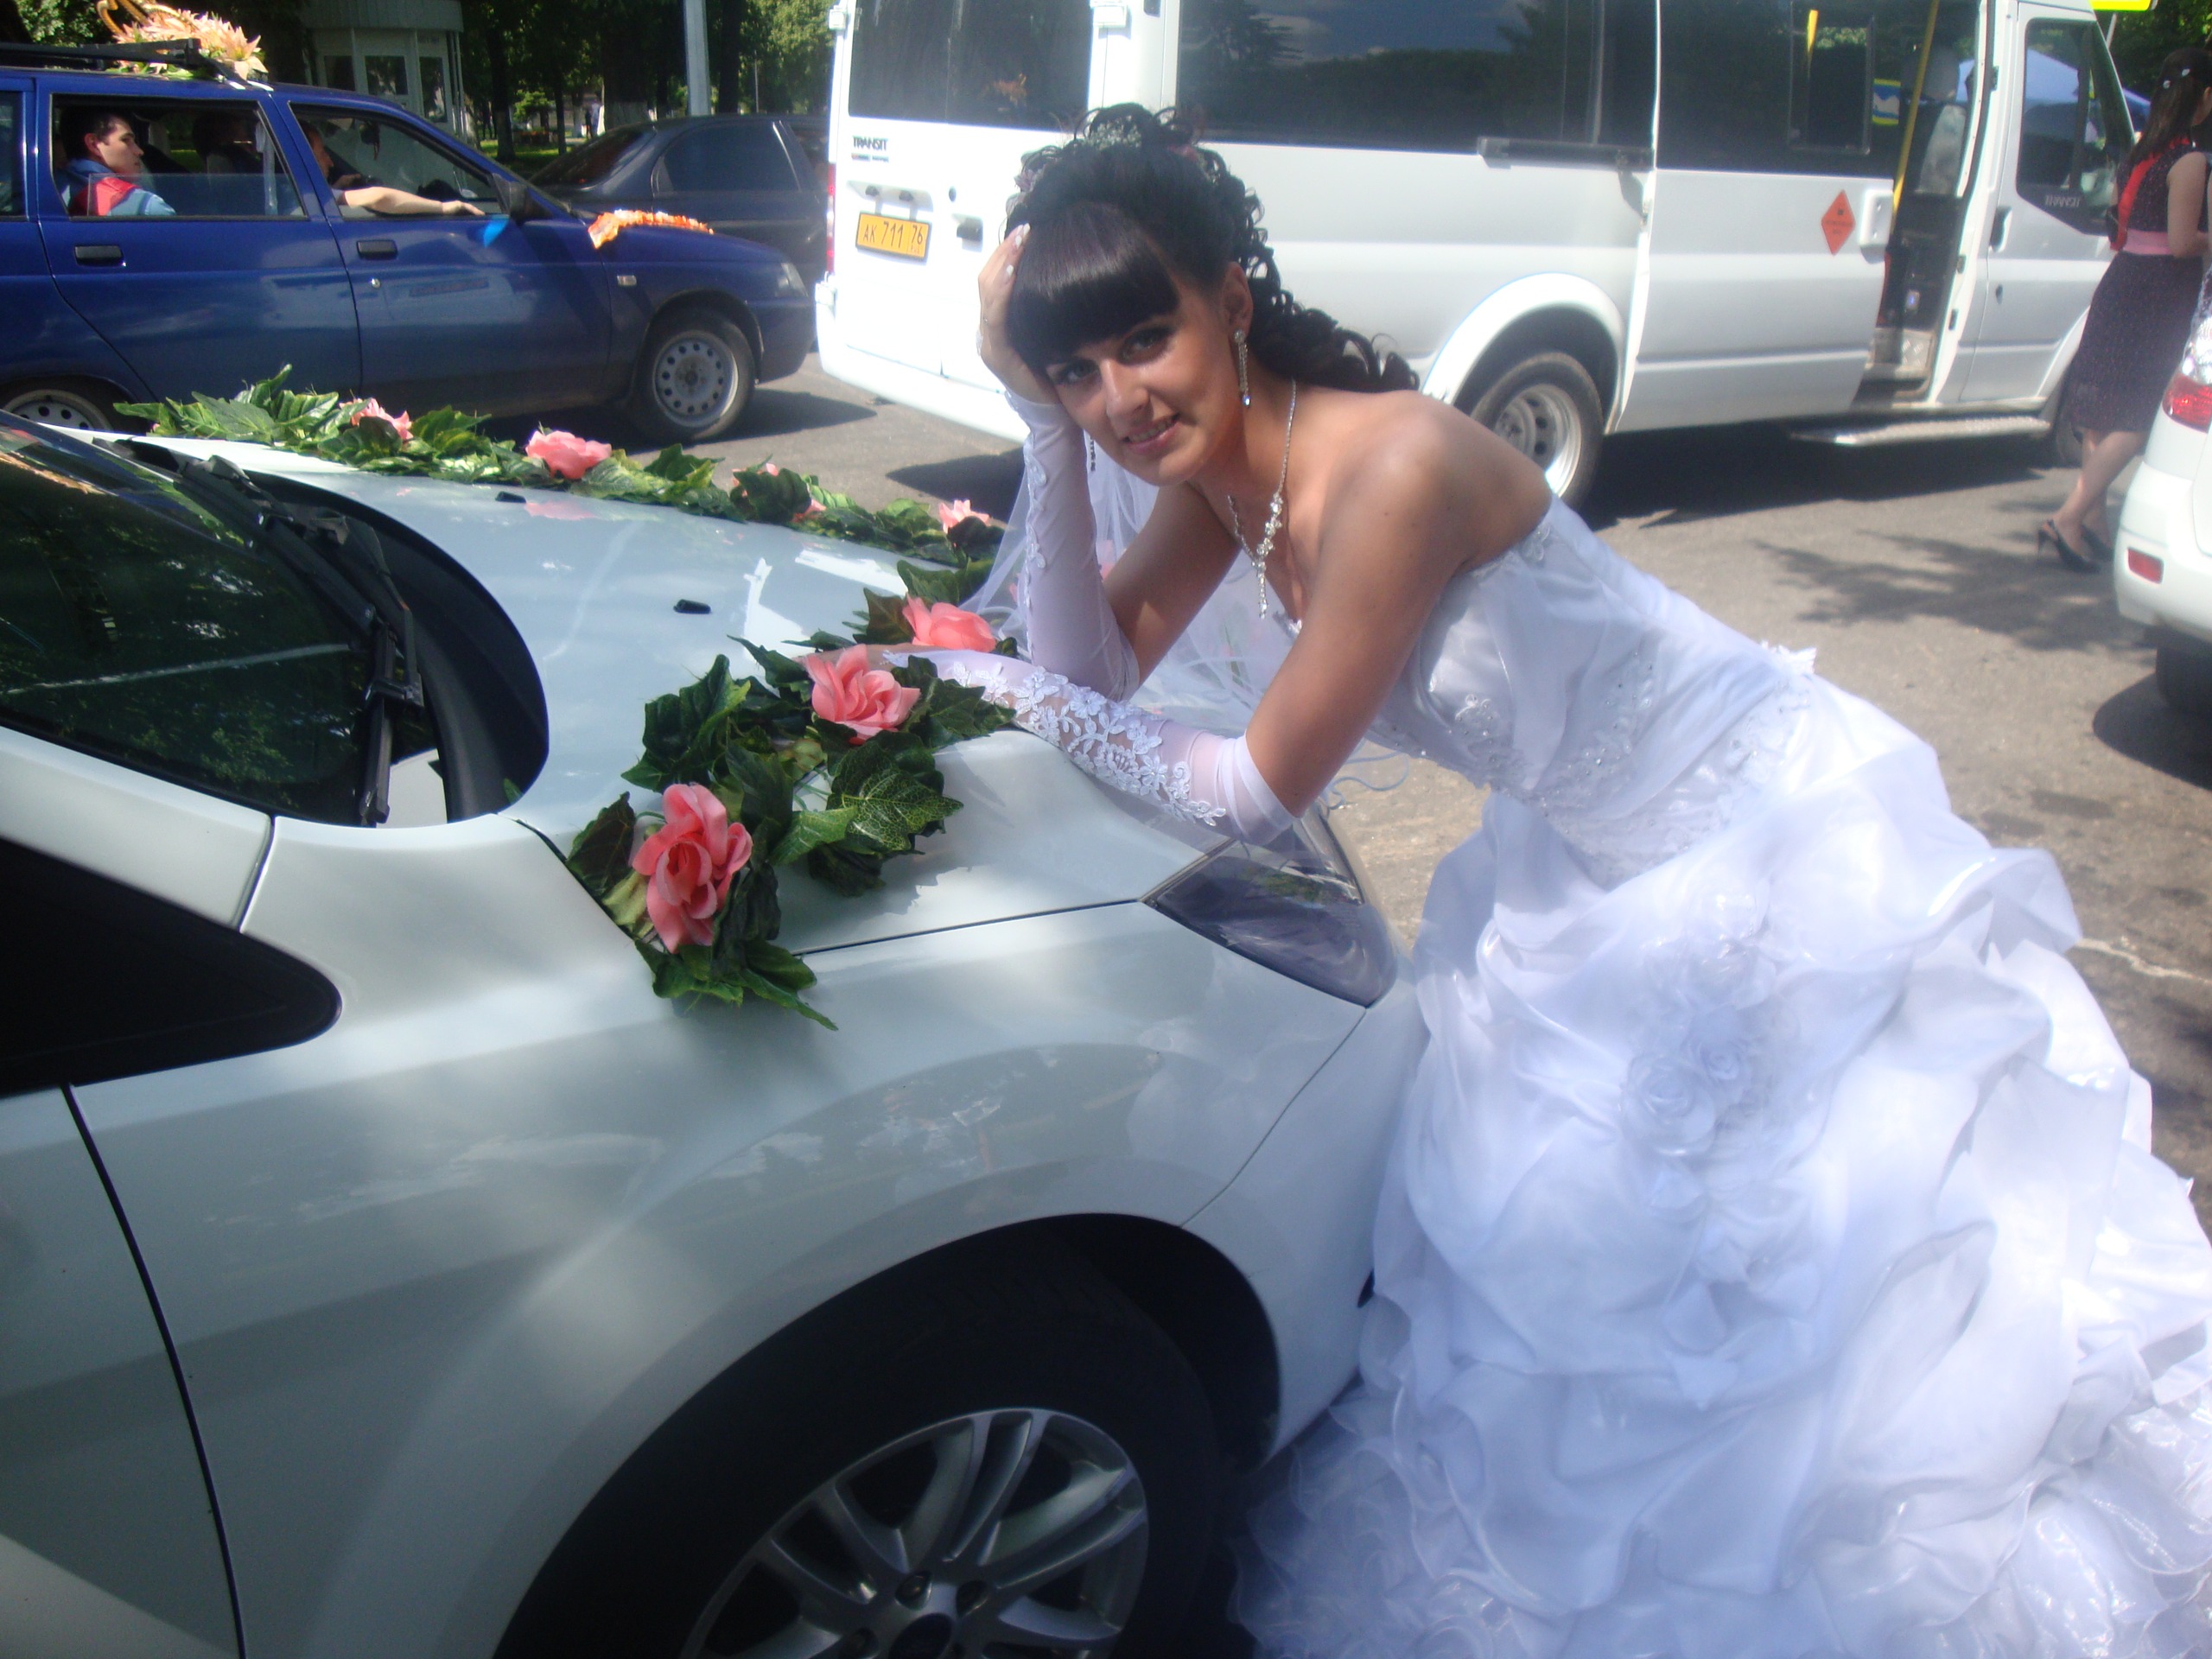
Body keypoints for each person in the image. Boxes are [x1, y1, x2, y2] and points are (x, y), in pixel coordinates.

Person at [896, 106, 2212, 1656]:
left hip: (1760, 830)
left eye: (1143, 342)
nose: (1121, 397)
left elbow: (1247, 783)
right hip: (1585, 866)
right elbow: (1090, 668)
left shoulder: (1392, 466)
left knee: (1803, 1277)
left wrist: (1011, 696)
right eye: (1076, 371)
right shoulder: (1219, 482)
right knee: (1575, 1260)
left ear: (1231, 301)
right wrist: (1042, 435)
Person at [2046, 49, 2212, 573]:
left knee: (2105, 410)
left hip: (2123, 281)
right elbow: (2182, 242)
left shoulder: (2141, 151)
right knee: (2139, 416)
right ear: (2205, 98)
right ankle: (2069, 517)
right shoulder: (2190, 161)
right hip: (2159, 293)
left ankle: (2093, 520)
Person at [302, 123, 483, 219]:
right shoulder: (312, 196)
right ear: (304, 158)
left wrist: (335, 187)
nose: (330, 162)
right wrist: (443, 207)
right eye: (322, 153)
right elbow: (378, 198)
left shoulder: (293, 196)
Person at [60, 111, 174, 217]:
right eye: (126, 140)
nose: (139, 151)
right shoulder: (146, 207)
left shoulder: (58, 185)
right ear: (94, 144)